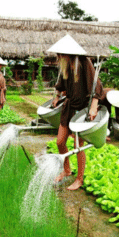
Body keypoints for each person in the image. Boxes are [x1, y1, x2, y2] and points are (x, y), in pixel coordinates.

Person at [49, 34, 104, 190]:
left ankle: (79, 179)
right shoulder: (66, 67)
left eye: (61, 54)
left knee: (78, 145)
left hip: (82, 108)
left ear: (69, 53)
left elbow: (96, 86)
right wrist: (57, 96)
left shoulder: (84, 63)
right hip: (69, 107)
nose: (59, 57)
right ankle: (66, 170)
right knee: (60, 141)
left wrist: (93, 107)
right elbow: (60, 86)